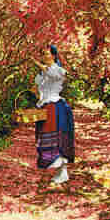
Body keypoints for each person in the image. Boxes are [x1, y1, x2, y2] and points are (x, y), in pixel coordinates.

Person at [32, 45, 75, 184]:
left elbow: (54, 75)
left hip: (56, 107)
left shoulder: (58, 70)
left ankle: (62, 171)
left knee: (57, 138)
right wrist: (37, 93)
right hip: (45, 107)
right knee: (44, 137)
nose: (45, 56)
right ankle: (61, 172)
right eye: (43, 54)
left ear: (54, 56)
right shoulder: (42, 73)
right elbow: (38, 88)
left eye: (47, 54)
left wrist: (41, 66)